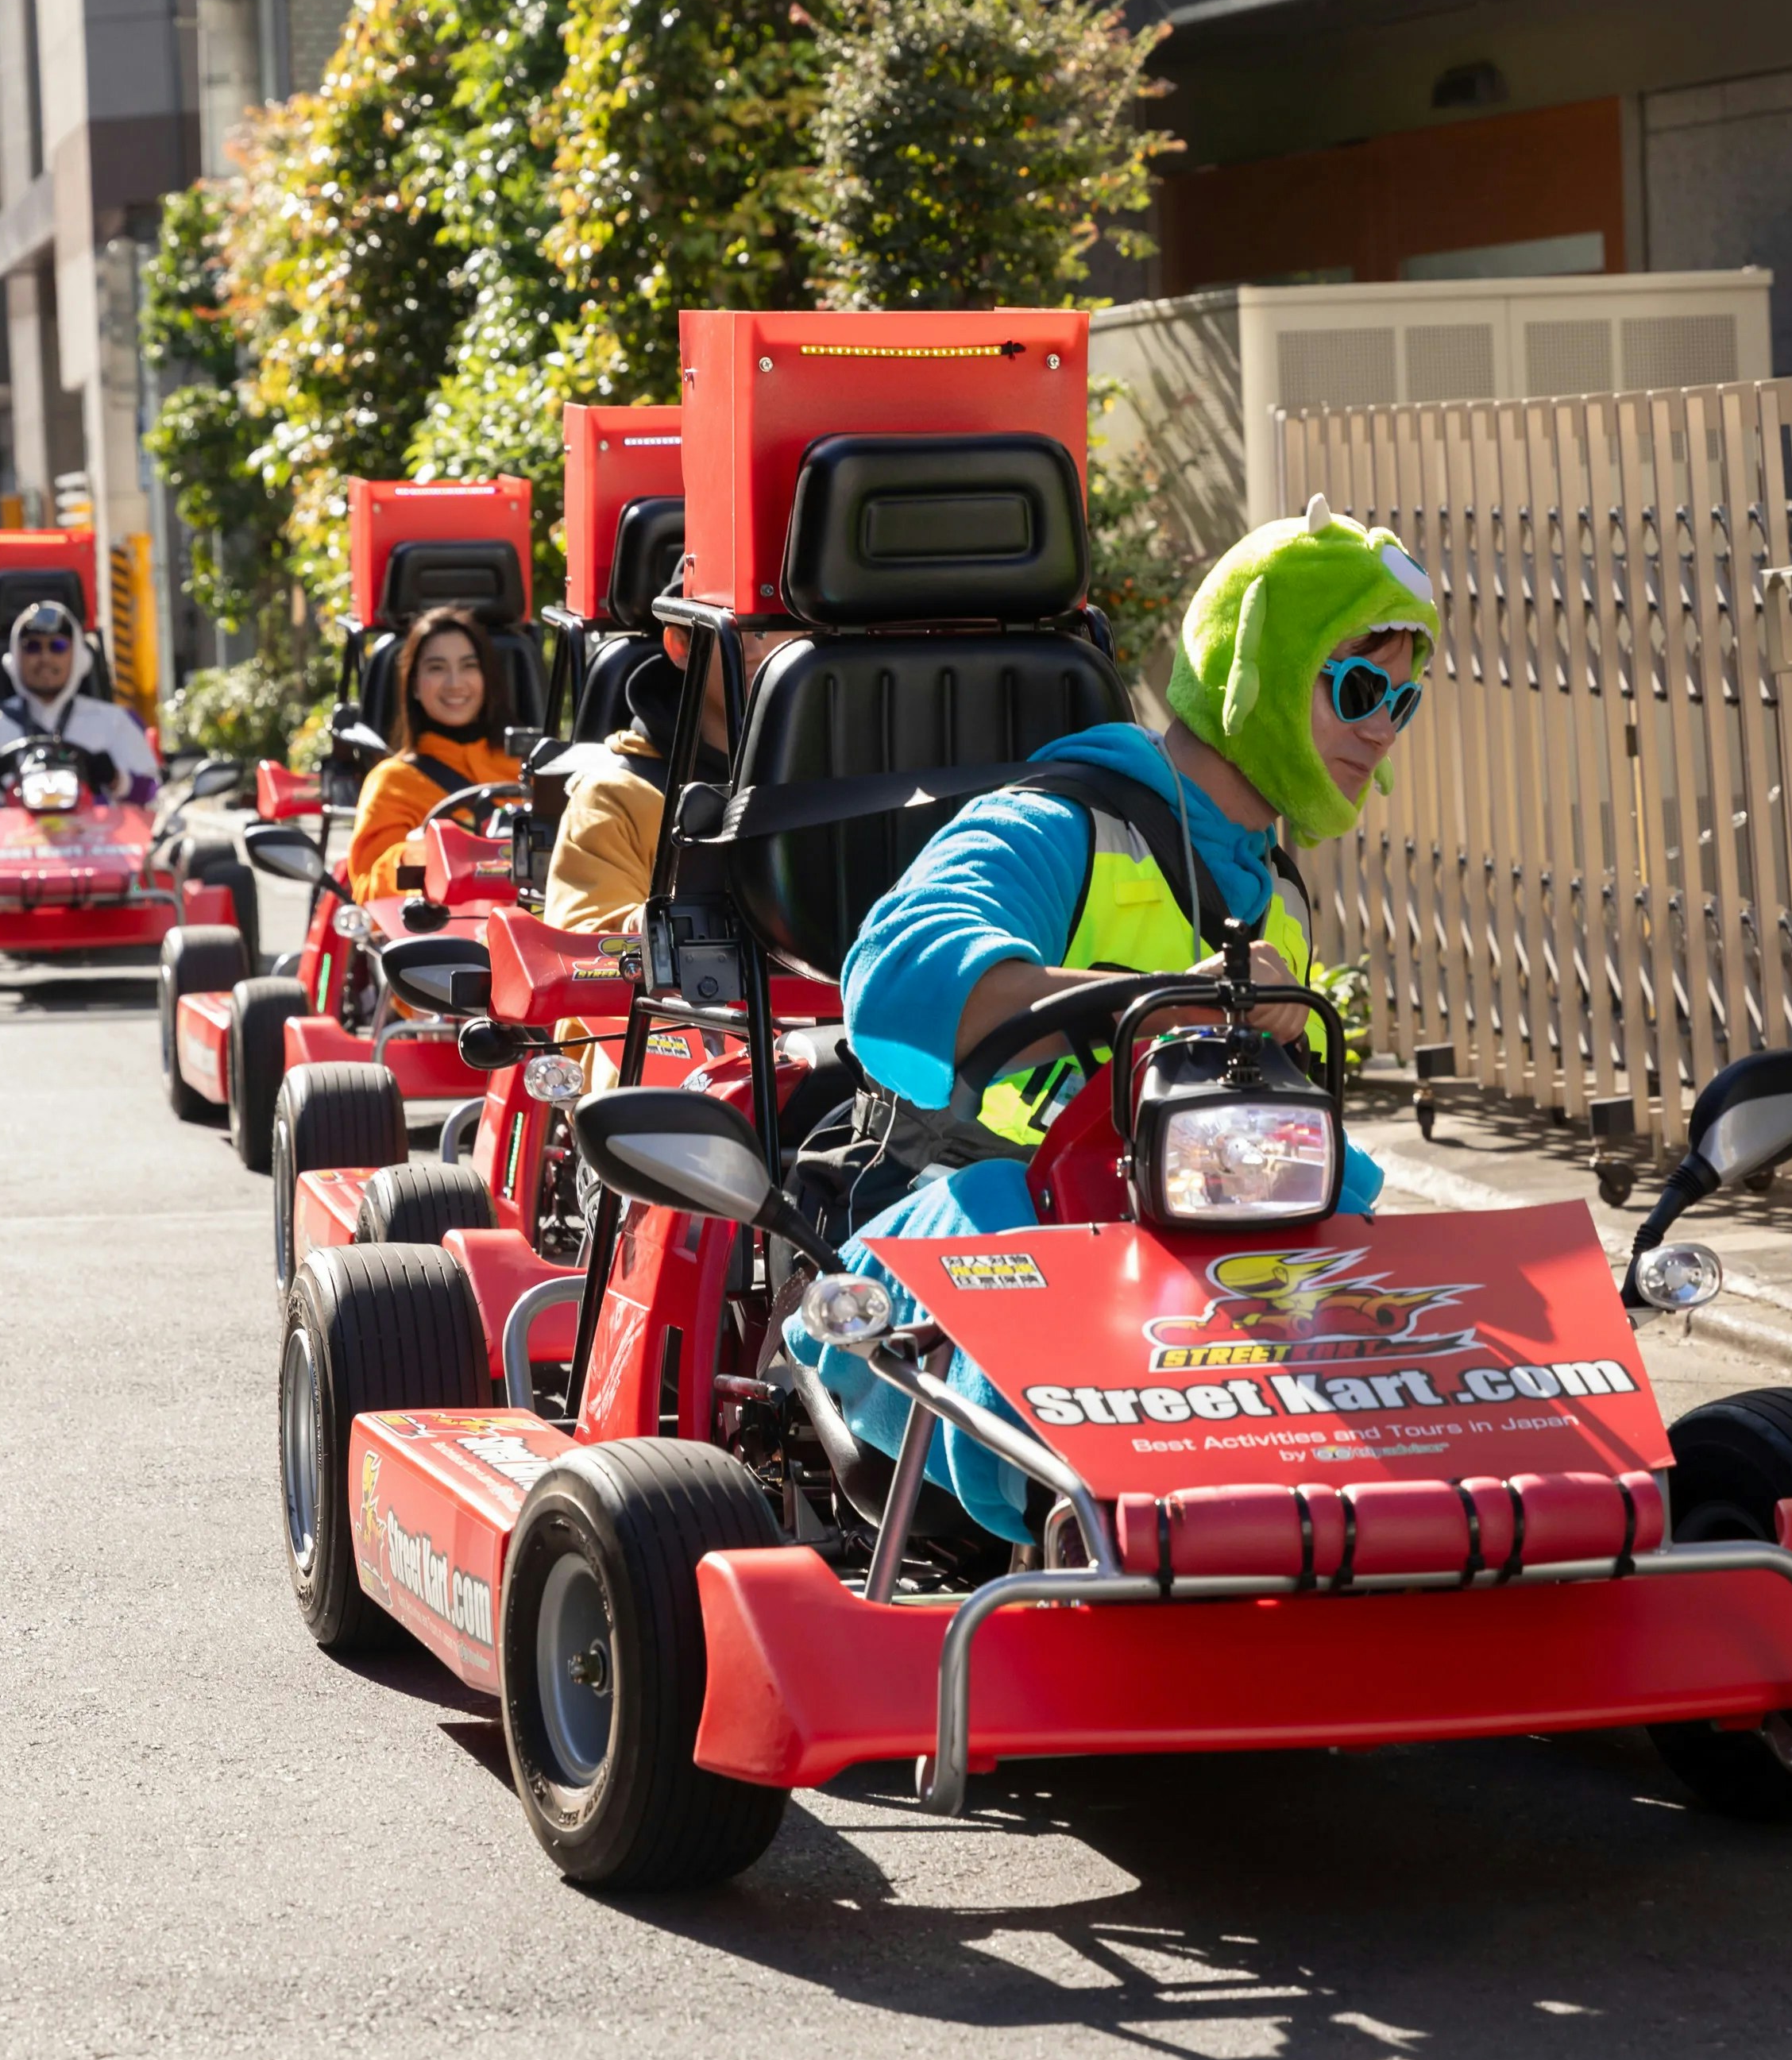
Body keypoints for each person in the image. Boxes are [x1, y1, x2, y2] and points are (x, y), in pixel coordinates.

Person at [782, 498, 1442, 1544]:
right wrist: (1165, 998)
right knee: (1010, 1222)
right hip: (966, 1224)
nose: (1380, 728)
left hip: (1182, 1259)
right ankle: (1084, 1531)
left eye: (1401, 702)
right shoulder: (1056, 822)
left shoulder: (1277, 896)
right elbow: (894, 981)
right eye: (1358, 689)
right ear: (1258, 672)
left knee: (1376, 1255)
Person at [540, 613, 783, 937]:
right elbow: (585, 944)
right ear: (681, 646)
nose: (760, 650)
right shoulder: (613, 796)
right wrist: (663, 922)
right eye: (744, 630)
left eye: (777, 626)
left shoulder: (836, 779)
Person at [339, 608, 523, 902]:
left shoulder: (527, 767)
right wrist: (410, 858)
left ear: (486, 677)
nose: (455, 683)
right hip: (446, 929)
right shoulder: (392, 782)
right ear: (414, 684)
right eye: (437, 668)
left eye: (469, 666)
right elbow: (367, 894)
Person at [0, 598, 157, 806]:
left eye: (58, 646)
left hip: (96, 830)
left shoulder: (115, 721)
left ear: (78, 655)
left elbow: (151, 792)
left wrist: (116, 779)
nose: (45, 658)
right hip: (5, 830)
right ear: (16, 655)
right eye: (33, 647)